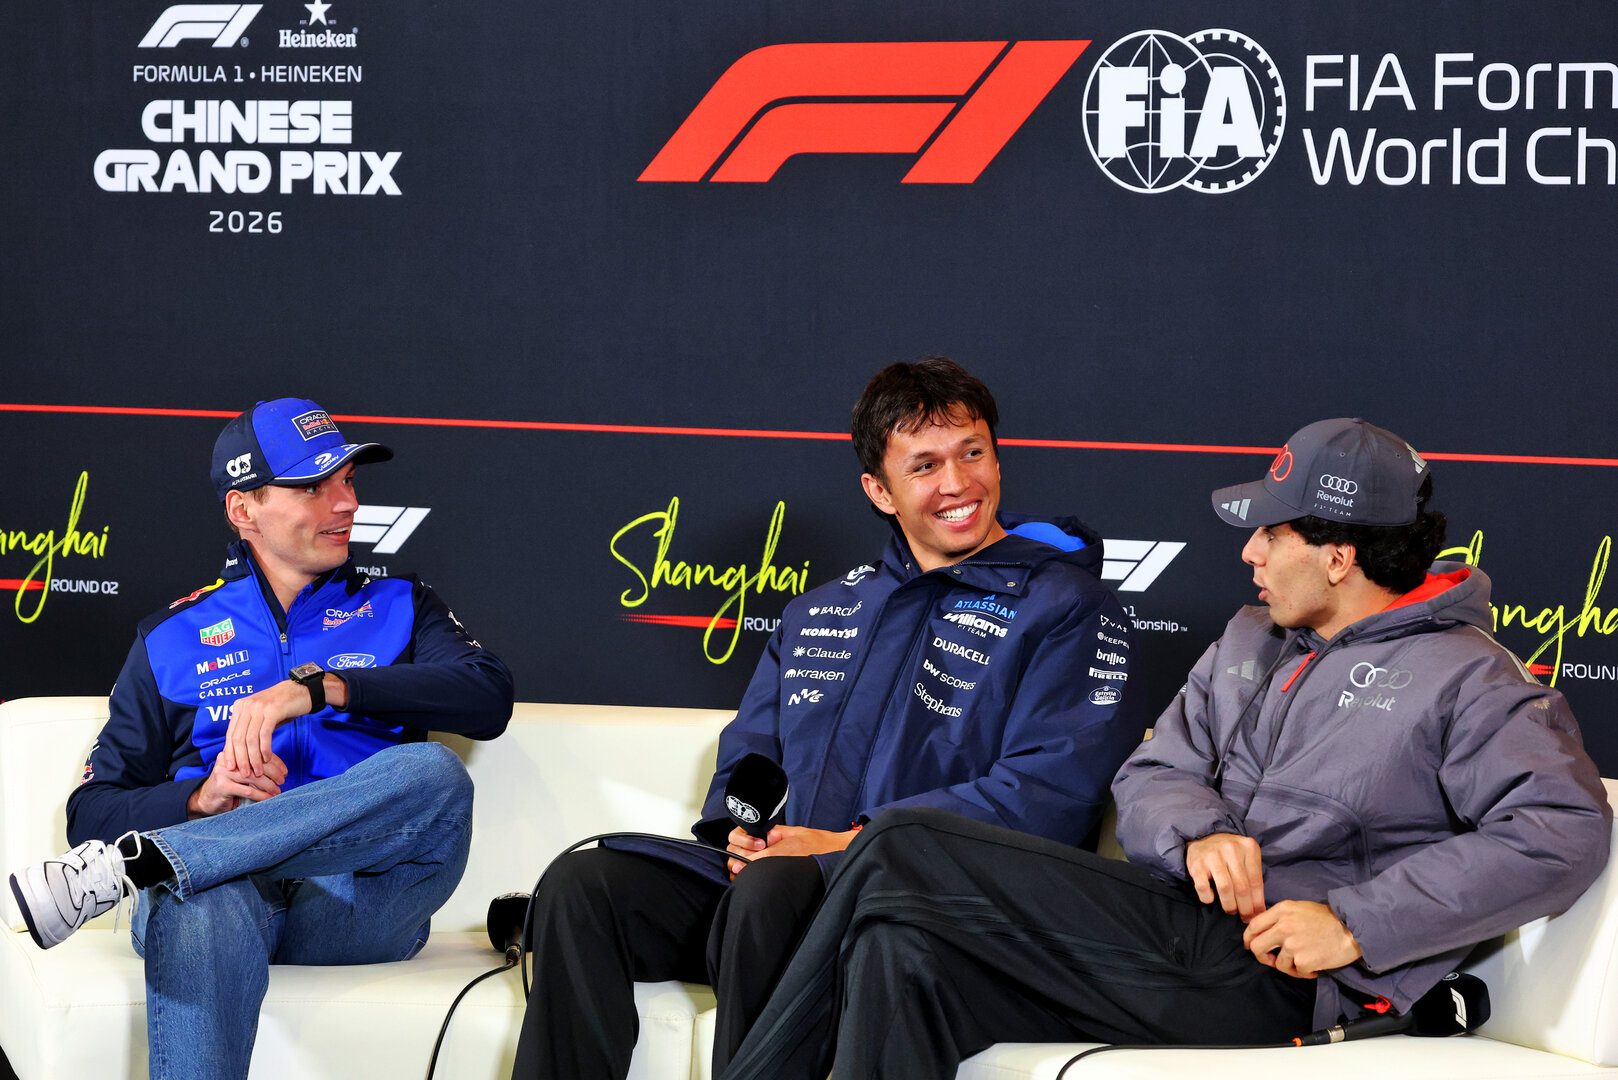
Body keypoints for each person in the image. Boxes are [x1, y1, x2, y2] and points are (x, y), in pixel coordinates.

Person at [718, 417, 1613, 1080]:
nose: (1250, 552)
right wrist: (1199, 832)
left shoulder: (1469, 675)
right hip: (1168, 927)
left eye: (1272, 533)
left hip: (1280, 972)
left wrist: (1356, 922)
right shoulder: (1251, 637)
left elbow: (1563, 829)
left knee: (900, 844)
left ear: (1338, 556)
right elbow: (1154, 770)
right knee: (899, 954)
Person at [511, 357, 1146, 1079]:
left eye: (973, 453)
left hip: (925, 900)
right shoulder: (822, 609)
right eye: (924, 466)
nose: (957, 483)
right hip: (784, 882)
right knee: (583, 886)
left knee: (772, 893)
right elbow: (750, 753)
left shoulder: (1068, 606)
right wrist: (742, 832)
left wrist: (848, 843)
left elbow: (1048, 795)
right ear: (879, 490)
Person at [8, 398, 515, 1080]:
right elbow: (91, 813)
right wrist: (200, 800)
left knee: (436, 774)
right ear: (243, 509)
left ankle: (153, 862)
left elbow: (488, 699)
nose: (346, 504)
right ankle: (180, 859)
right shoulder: (171, 637)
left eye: (347, 481)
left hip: (356, 903)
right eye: (313, 487)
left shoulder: (400, 602)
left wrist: (325, 687)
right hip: (221, 897)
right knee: (199, 895)